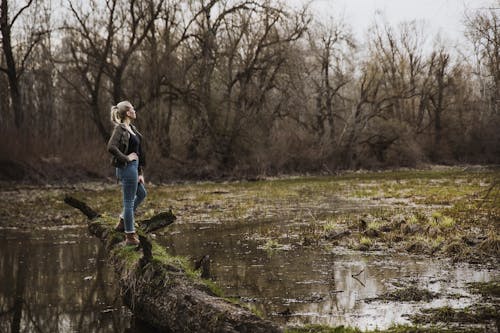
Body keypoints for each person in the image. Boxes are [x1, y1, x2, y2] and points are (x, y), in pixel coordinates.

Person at [107, 101, 147, 246]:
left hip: (134, 168)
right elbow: (111, 147)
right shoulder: (120, 128)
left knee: (142, 194)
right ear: (127, 113)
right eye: (132, 108)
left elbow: (138, 152)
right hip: (126, 167)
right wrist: (126, 158)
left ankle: (123, 221)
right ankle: (130, 236)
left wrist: (140, 172)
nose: (135, 110)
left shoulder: (132, 129)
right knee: (129, 203)